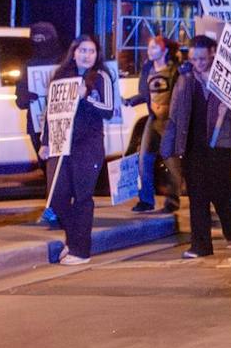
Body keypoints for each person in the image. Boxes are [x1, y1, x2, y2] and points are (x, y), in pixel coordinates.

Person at [162, 35, 231, 259]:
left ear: (212, 52)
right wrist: (168, 143)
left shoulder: (225, 78)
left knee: (220, 190)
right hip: (193, 142)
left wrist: (227, 111)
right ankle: (200, 245)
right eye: (194, 58)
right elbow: (175, 112)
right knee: (197, 193)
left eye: (202, 58)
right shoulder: (186, 78)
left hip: (219, 142)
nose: (198, 63)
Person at [46, 35, 117, 265]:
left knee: (83, 197)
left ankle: (81, 249)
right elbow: (51, 112)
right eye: (83, 50)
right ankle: (73, 239)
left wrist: (86, 98)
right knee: (57, 196)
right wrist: (45, 142)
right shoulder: (61, 76)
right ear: (74, 51)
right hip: (61, 143)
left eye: (92, 51)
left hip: (88, 145)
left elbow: (108, 109)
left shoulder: (101, 77)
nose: (87, 55)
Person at [14, 21, 63, 226]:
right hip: (36, 125)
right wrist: (27, 97)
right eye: (36, 39)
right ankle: (54, 206)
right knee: (46, 168)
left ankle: (55, 207)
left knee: (57, 168)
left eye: (43, 39)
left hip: (59, 124)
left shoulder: (63, 62)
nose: (39, 43)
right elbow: (19, 100)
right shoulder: (28, 65)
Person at [128, 36, 182, 214]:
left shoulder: (174, 70)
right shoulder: (148, 68)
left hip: (170, 120)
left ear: (164, 50)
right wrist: (130, 101)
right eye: (149, 48)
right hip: (153, 118)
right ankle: (146, 200)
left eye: (154, 48)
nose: (150, 51)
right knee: (145, 158)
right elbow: (145, 94)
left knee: (171, 160)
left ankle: (172, 199)